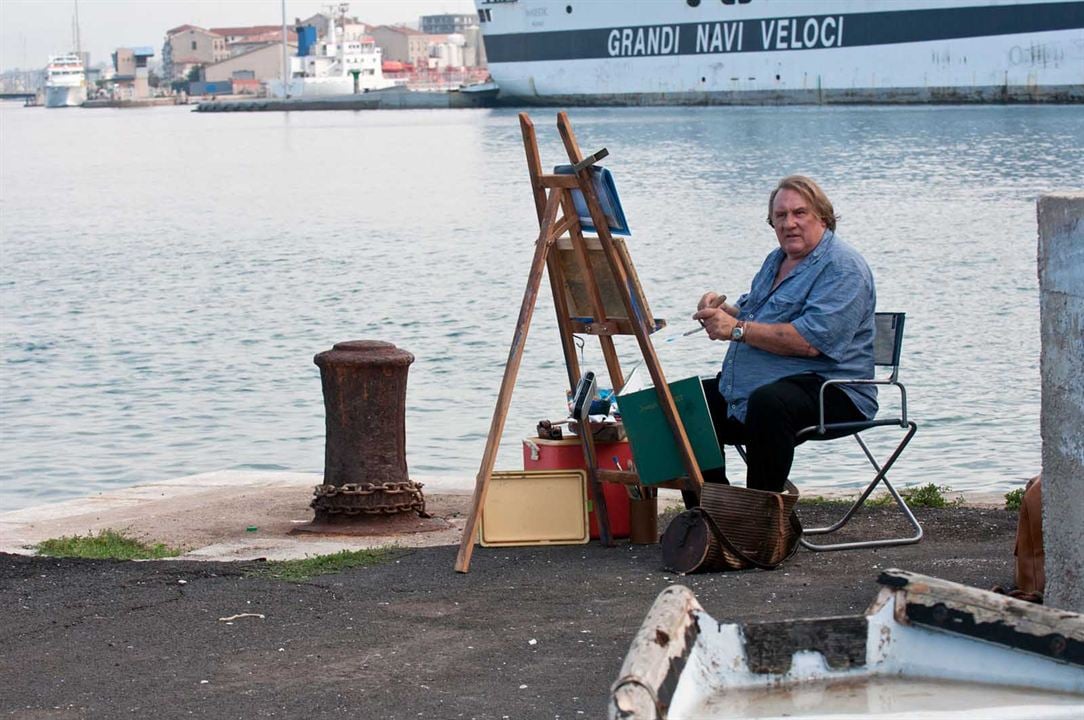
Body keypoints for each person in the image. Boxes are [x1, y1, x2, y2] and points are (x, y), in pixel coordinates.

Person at [691, 175, 877, 494]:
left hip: (834, 389)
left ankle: (761, 522)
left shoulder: (843, 268)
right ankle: (714, 515)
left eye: (799, 213)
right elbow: (751, 313)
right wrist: (721, 310)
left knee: (770, 403)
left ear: (823, 216)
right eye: (780, 216)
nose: (789, 223)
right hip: (762, 388)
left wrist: (735, 330)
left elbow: (810, 342)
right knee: (685, 405)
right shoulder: (776, 260)